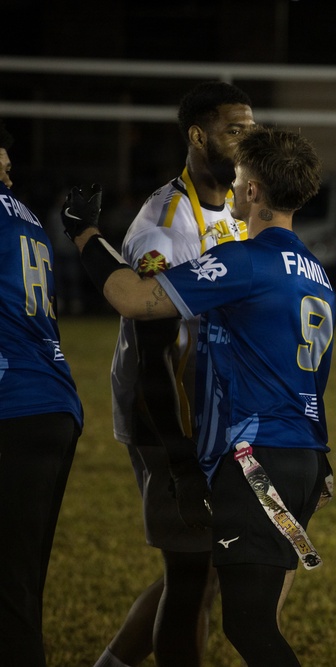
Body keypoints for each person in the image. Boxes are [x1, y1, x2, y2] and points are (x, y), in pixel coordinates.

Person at [63, 126, 333, 667]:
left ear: (254, 192)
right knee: (235, 608)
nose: (233, 186)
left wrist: (85, 233)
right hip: (303, 457)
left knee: (250, 626)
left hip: (257, 461)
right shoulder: (317, 273)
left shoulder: (245, 262)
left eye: (240, 179)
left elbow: (134, 299)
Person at [93, 81, 255, 667]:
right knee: (192, 573)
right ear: (197, 135)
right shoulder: (164, 223)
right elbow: (152, 352)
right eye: (234, 130)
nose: (247, 141)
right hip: (168, 418)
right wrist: (179, 453)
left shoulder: (239, 212)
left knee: (202, 572)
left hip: (214, 417)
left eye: (251, 129)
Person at [0, 118, 84, 666]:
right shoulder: (25, 217)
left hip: (12, 407)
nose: (8, 178)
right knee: (18, 593)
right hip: (52, 402)